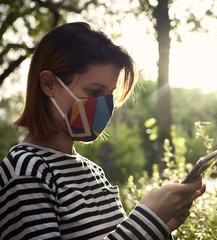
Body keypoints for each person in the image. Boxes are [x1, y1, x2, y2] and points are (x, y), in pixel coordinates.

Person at [0, 22, 206, 240]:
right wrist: (146, 220)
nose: (104, 106)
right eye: (94, 91)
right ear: (49, 84)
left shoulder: (94, 173)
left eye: (109, 95)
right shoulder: (25, 170)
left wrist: (159, 227)